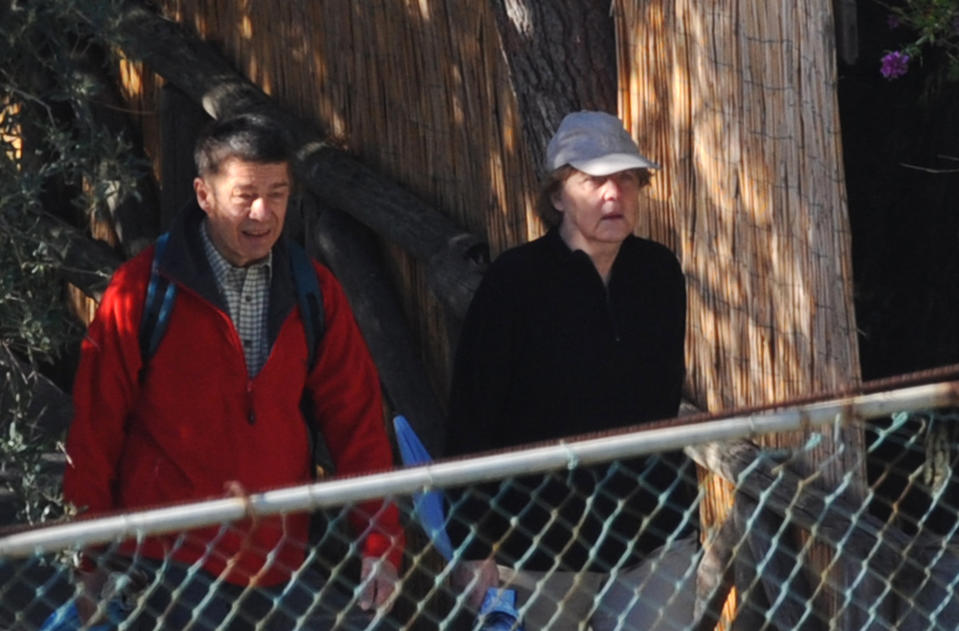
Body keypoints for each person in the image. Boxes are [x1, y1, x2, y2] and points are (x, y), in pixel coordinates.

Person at [61, 114, 404, 629]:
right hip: (164, 561)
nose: (262, 213)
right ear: (204, 194)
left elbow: (357, 424)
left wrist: (380, 542)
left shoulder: (315, 291)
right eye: (245, 195)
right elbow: (95, 428)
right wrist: (89, 561)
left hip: (279, 558)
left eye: (278, 194)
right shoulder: (142, 290)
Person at [446, 111, 699, 630]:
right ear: (559, 194)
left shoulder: (659, 273)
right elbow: (472, 415)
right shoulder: (514, 282)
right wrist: (473, 545)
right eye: (595, 180)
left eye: (626, 179)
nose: (614, 195)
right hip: (537, 540)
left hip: (652, 533)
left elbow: (660, 395)